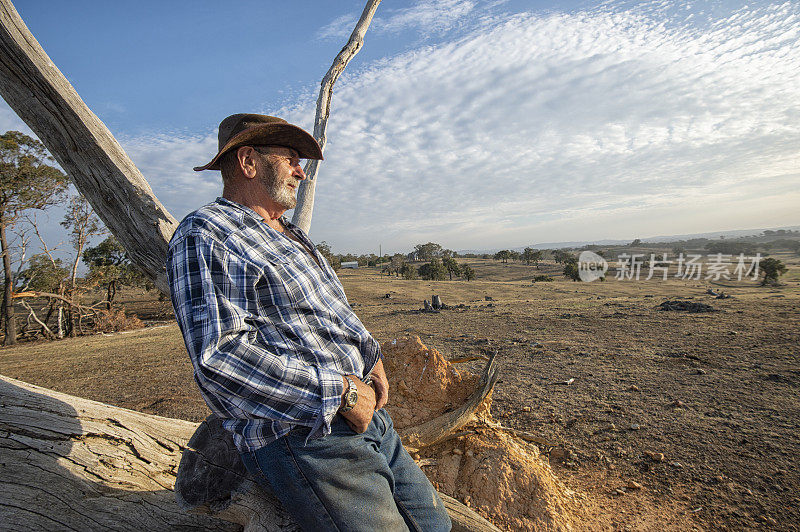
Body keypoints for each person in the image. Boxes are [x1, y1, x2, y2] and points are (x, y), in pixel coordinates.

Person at [167, 114, 451, 531]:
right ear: (248, 161)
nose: (301, 171)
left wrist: (370, 357)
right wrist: (341, 391)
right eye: (290, 160)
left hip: (369, 420)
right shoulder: (208, 233)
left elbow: (327, 310)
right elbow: (219, 357)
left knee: (436, 526)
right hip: (307, 436)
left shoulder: (289, 233)